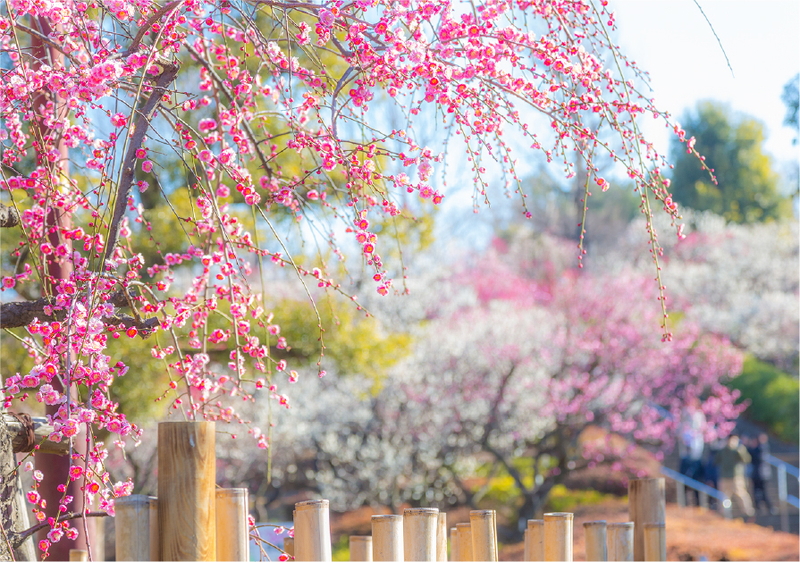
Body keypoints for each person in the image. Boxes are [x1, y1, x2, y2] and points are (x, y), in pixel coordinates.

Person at [715, 434, 755, 521]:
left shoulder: (739, 450)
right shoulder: (722, 451)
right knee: (724, 497)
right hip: (724, 477)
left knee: (741, 494)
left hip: (736, 477)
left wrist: (740, 450)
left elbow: (747, 460)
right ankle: (724, 514)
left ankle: (748, 512)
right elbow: (716, 461)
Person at [678, 397, 706, 505]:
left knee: (695, 479)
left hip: (695, 452)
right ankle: (686, 502)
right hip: (687, 452)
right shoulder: (685, 414)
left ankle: (697, 502)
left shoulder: (698, 415)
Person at [746, 433, 775, 515]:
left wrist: (748, 446)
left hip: (761, 475)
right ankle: (761, 507)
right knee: (758, 491)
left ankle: (768, 507)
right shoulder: (761, 448)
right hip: (759, 474)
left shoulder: (761, 448)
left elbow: (755, 456)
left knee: (762, 492)